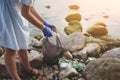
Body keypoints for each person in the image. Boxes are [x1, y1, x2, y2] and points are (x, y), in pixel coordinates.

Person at [0, 0, 55, 80]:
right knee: (10, 49)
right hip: (5, 13)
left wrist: (43, 22)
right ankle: (15, 78)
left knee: (22, 41)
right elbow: (25, 13)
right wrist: (43, 28)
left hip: (15, 11)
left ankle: (28, 68)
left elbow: (30, 7)